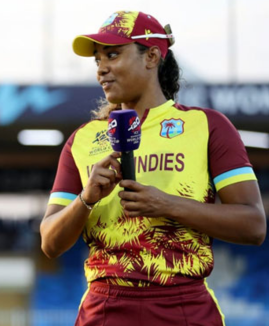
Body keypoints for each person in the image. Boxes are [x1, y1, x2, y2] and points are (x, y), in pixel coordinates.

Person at [40, 10, 266, 326]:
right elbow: (49, 242)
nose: (102, 68)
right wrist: (86, 199)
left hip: (185, 305)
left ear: (152, 57)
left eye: (113, 54)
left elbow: (254, 226)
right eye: (97, 60)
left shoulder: (206, 126)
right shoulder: (82, 140)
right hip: (105, 308)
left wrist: (165, 204)